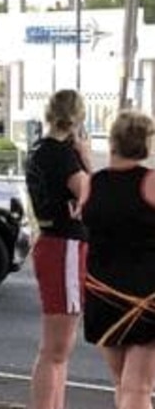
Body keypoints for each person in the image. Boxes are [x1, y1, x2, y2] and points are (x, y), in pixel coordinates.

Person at [82, 110, 155, 409]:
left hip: (102, 292)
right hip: (145, 293)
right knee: (138, 387)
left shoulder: (91, 183)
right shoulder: (150, 182)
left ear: (112, 141)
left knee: (123, 383)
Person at [25, 89, 92, 409]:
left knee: (57, 350)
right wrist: (87, 158)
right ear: (77, 117)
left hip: (52, 240)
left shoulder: (38, 149)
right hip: (65, 245)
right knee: (56, 349)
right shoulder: (64, 155)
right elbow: (88, 197)